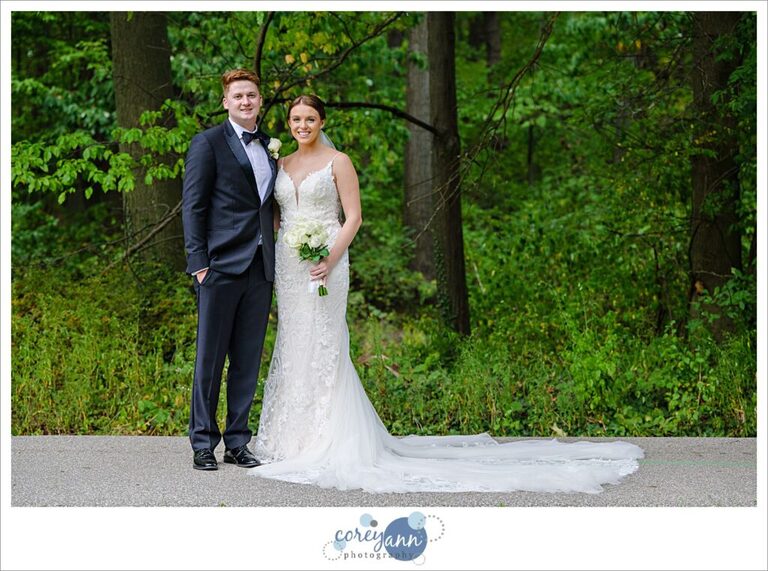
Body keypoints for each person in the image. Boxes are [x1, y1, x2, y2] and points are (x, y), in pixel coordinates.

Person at [249, 94, 644, 493]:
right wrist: (288, 244)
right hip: (291, 264)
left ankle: (325, 437)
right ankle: (289, 437)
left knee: (324, 344)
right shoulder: (281, 163)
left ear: (322, 121)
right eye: (296, 119)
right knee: (294, 340)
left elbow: (354, 217)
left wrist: (330, 257)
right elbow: (280, 213)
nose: (302, 125)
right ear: (289, 121)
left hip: (329, 263)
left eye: (310, 119)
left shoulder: (340, 162)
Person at [182, 69, 277, 471]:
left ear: (259, 100)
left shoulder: (270, 147)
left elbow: (268, 207)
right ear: (226, 102)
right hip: (219, 267)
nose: (245, 101)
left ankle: (238, 441)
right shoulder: (207, 143)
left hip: (260, 267)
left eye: (251, 95)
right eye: (237, 96)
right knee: (210, 359)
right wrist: (199, 264)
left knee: (247, 359)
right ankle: (203, 442)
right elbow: (193, 206)